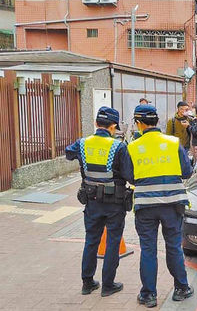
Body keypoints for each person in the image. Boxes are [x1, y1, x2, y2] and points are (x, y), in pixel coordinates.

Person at [123, 105, 194, 308]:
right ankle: (181, 288)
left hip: (146, 206)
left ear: (139, 123)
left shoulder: (133, 146)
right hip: (173, 204)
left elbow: (129, 175)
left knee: (148, 249)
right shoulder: (173, 142)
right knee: (173, 246)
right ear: (157, 122)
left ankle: (149, 295)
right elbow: (187, 172)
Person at [65, 107, 131, 297]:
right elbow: (129, 175)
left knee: (91, 241)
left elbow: (69, 153)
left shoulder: (82, 143)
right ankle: (108, 285)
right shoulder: (119, 147)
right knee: (112, 242)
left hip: (91, 201)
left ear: (96, 123)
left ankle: (87, 283)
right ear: (113, 126)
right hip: (114, 203)